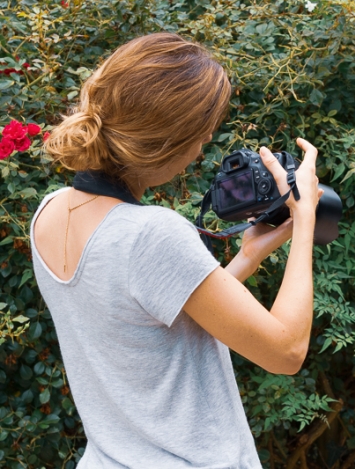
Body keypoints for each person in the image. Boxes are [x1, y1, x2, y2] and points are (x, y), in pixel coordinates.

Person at [31, 33, 322, 469]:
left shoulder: (49, 213)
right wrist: (305, 220)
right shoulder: (151, 233)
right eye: (202, 136)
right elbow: (286, 352)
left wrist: (246, 258)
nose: (203, 145)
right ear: (169, 141)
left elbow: (146, 319)